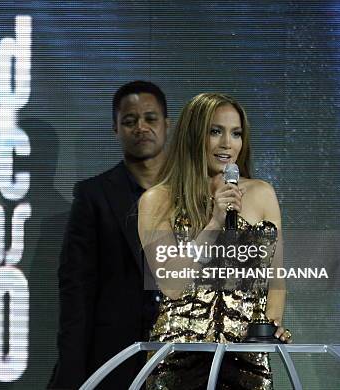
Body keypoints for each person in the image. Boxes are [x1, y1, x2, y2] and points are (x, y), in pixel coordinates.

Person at [138, 93, 291, 389]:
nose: (227, 144)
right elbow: (172, 285)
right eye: (215, 131)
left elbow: (276, 280)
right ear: (193, 135)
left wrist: (269, 329)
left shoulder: (261, 194)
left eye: (236, 133)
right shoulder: (158, 200)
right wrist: (215, 222)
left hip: (247, 360)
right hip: (179, 359)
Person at [48, 81, 170, 389]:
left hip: (181, 357)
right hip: (113, 359)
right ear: (116, 128)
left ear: (167, 124)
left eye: (150, 118)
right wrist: (71, 372)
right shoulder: (94, 196)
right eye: (129, 121)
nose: (141, 127)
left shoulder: (196, 193)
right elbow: (76, 291)